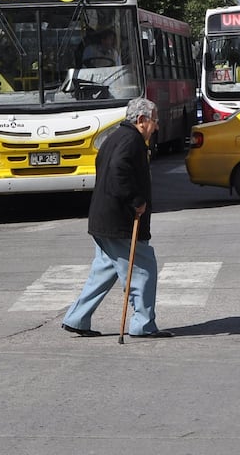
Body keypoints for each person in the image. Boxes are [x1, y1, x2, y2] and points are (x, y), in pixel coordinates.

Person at [61, 97, 173, 338]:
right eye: (154, 121)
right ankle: (142, 325)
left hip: (103, 219)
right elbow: (118, 170)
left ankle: (77, 319)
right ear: (141, 120)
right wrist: (137, 200)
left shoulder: (115, 137)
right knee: (143, 269)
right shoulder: (131, 140)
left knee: (104, 270)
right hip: (119, 221)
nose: (157, 127)